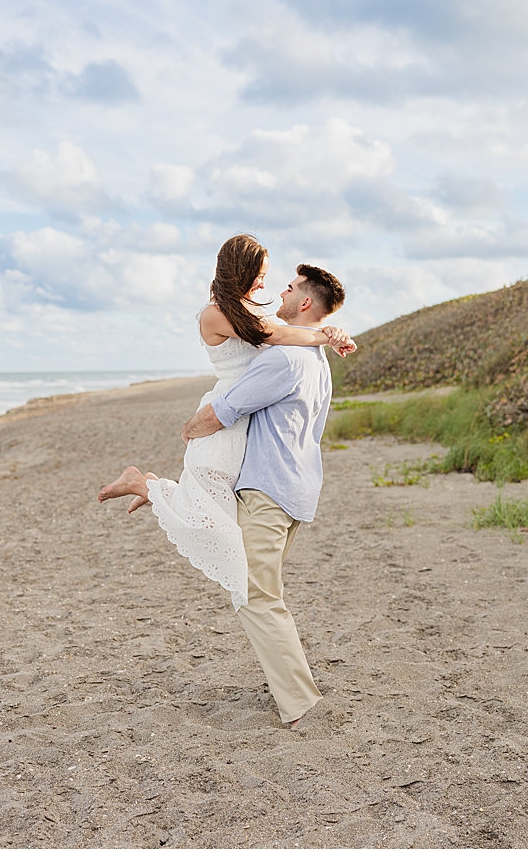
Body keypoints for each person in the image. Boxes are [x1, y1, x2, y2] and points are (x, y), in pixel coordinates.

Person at [98, 235, 355, 611]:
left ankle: (146, 485)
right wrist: (324, 336)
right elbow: (275, 335)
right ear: (242, 270)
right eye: (260, 275)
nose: (264, 285)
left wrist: (331, 332)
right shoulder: (216, 313)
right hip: (226, 412)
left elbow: (286, 334)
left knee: (220, 510)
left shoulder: (252, 310)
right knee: (211, 515)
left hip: (247, 415)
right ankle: (145, 486)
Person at [178, 262, 348, 727]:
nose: (281, 292)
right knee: (261, 592)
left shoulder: (285, 358)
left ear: (305, 302)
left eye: (290, 288)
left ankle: (300, 703)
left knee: (256, 596)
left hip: (269, 490)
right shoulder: (317, 360)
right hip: (298, 489)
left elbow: (225, 410)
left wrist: (189, 429)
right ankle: (294, 690)